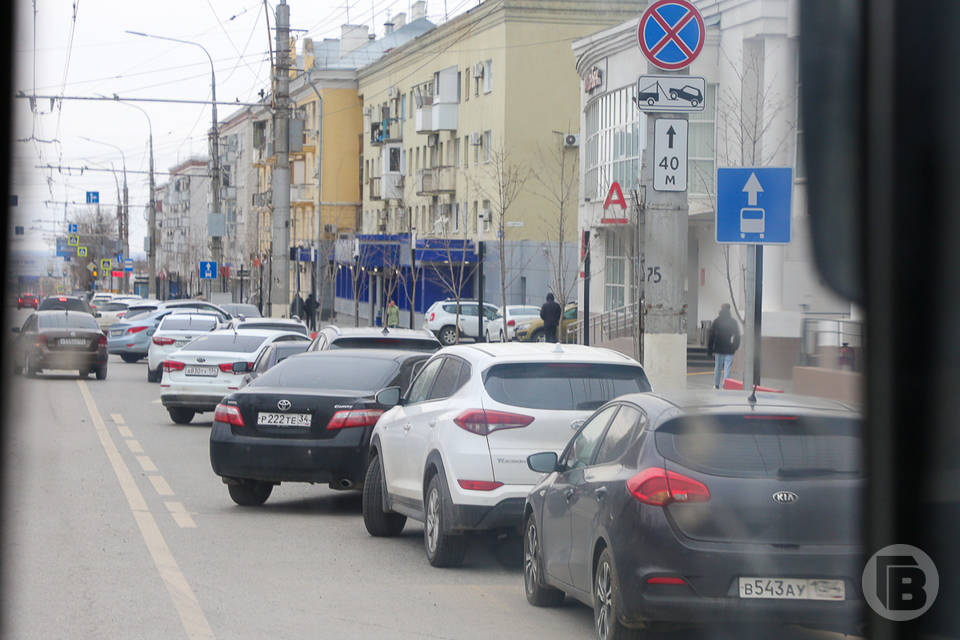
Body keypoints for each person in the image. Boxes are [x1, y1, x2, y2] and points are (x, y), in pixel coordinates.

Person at [707, 303, 741, 389]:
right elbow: (737, 335)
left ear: (721, 309)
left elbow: (711, 336)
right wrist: (735, 346)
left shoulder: (716, 321)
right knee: (727, 368)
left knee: (718, 367)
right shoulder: (733, 322)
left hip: (719, 348)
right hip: (729, 348)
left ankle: (716, 384)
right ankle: (726, 385)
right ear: (729, 310)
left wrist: (710, 350)